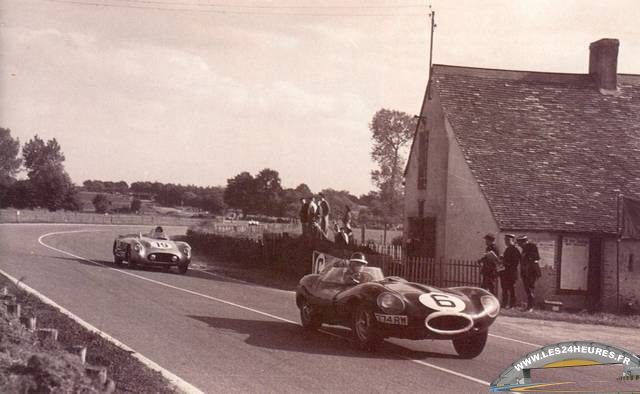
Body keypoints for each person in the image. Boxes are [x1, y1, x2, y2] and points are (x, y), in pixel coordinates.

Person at [517, 235, 542, 312]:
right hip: (525, 272)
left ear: (524, 241)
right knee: (527, 289)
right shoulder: (524, 249)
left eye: (520, 243)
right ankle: (529, 306)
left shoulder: (531, 247)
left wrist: (529, 264)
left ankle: (530, 307)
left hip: (531, 272)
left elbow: (536, 258)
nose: (519, 245)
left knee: (530, 289)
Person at [500, 234, 521, 309]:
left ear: (513, 241)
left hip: (511, 272)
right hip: (506, 272)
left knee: (512, 289)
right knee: (505, 289)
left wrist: (505, 262)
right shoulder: (508, 249)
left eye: (508, 240)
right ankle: (504, 304)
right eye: (505, 240)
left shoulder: (514, 249)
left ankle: (512, 305)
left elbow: (515, 263)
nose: (506, 242)